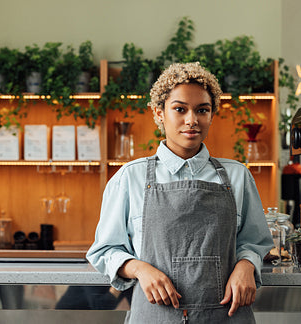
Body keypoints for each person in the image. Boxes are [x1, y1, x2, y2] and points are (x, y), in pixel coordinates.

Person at [87, 62, 273, 323]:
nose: (192, 120)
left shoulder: (237, 176)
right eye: (179, 109)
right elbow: (105, 250)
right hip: (156, 315)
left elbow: (255, 242)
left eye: (202, 110)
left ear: (212, 114)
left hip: (226, 315)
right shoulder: (131, 177)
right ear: (159, 113)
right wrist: (140, 269)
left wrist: (246, 265)